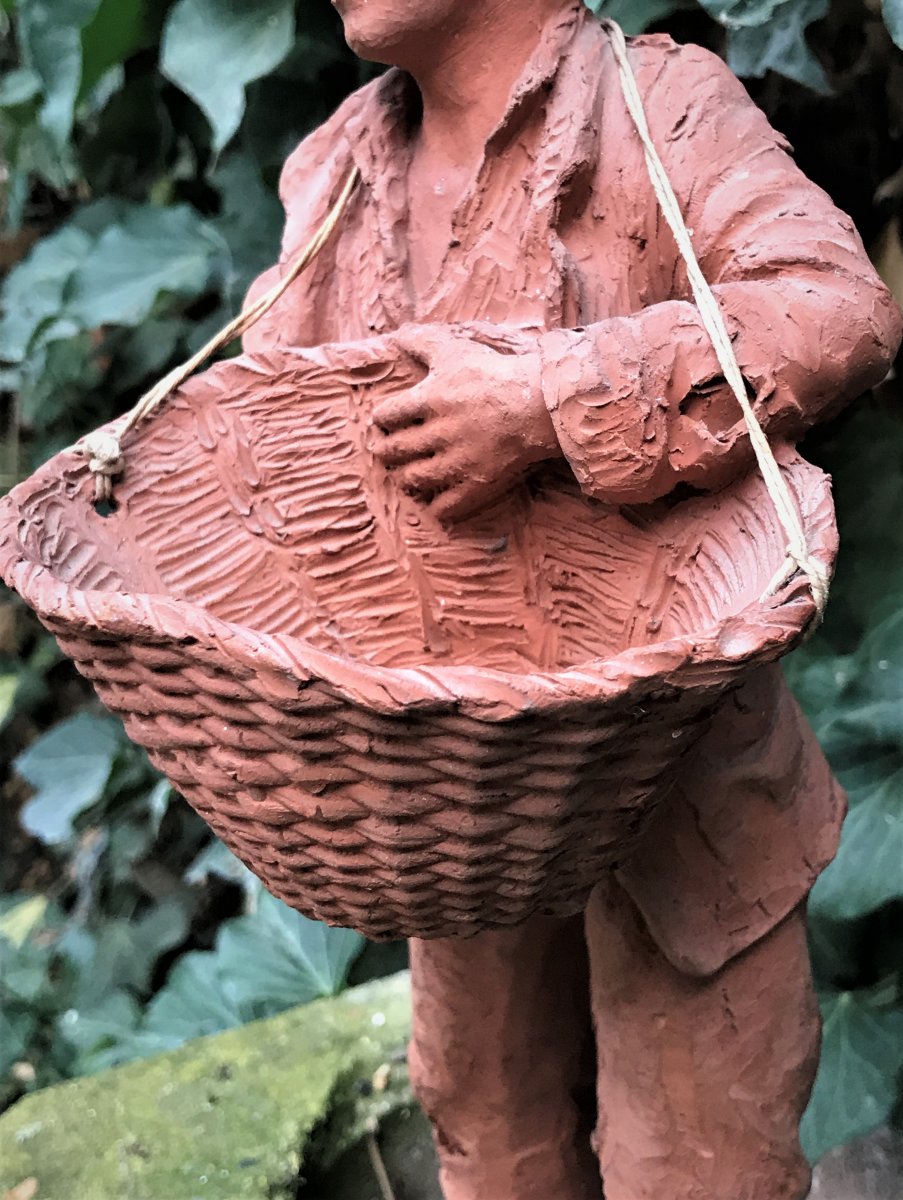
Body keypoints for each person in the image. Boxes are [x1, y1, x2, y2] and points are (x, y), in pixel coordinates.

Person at [243, 1, 902, 1196]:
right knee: (481, 1100)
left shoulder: (660, 106)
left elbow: (835, 305)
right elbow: (271, 430)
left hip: (676, 765)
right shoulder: (337, 166)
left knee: (701, 1144)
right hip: (447, 782)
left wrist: (556, 397)